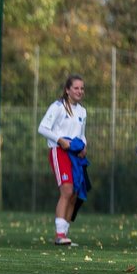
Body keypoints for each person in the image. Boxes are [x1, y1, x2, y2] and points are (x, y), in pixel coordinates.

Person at [37, 74, 87, 246]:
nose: (80, 91)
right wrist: (60, 140)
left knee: (74, 193)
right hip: (59, 152)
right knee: (66, 190)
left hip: (75, 155)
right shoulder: (58, 107)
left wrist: (84, 146)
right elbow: (42, 128)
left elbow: (81, 135)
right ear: (67, 90)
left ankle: (64, 235)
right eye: (76, 88)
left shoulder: (82, 111)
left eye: (82, 88)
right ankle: (59, 234)